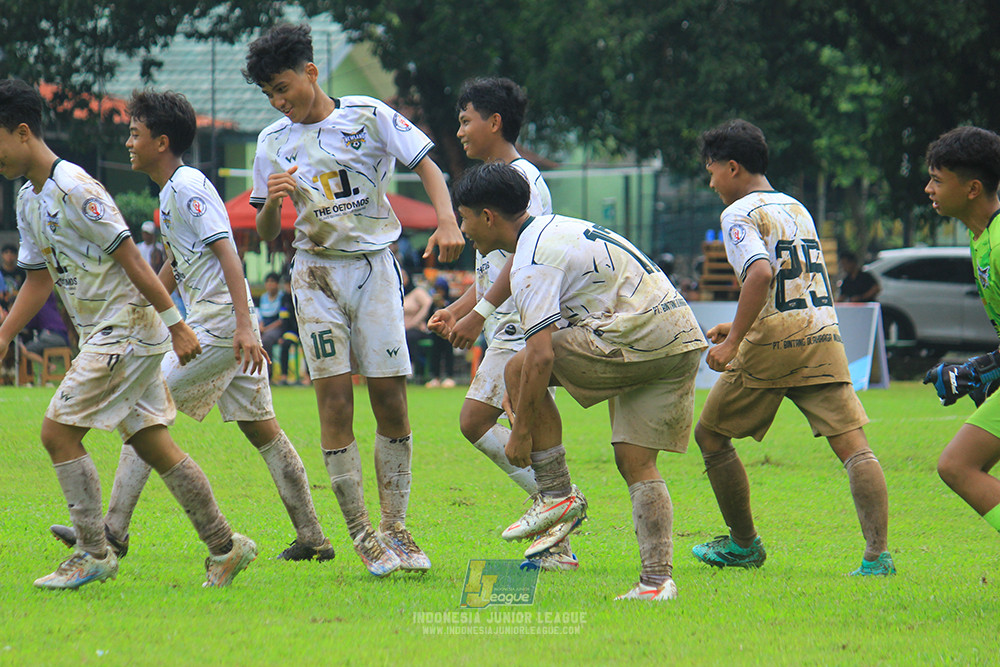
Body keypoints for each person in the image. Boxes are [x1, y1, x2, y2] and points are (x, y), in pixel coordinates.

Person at [48, 89, 334, 562]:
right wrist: (144, 302)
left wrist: (243, 326)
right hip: (226, 323)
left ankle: (114, 531)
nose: (128, 143)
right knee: (262, 429)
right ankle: (313, 538)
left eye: (134, 134)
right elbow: (180, 265)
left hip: (221, 324)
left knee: (143, 410)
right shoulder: (173, 191)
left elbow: (228, 253)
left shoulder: (187, 187)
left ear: (161, 142)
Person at [0, 78, 255, 589]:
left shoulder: (75, 186)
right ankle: (227, 546)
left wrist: (177, 325)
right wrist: (4, 334)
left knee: (56, 432)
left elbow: (133, 259)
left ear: (22, 132)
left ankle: (94, 552)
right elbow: (37, 278)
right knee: (152, 444)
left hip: (125, 330)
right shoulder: (28, 197)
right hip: (111, 330)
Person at [243, 23, 465, 576]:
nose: (278, 101)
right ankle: (363, 534)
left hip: (374, 271)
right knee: (336, 402)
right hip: (314, 275)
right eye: (268, 93)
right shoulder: (273, 142)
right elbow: (268, 232)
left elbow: (428, 165)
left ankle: (397, 527)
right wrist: (273, 202)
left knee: (391, 400)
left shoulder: (367, 114)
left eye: (283, 87)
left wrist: (445, 218)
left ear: (311, 73)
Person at [452, 162, 708, 600]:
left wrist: (522, 432)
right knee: (637, 461)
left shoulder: (532, 259)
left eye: (465, 217)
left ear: (488, 216)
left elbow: (540, 356)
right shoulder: (552, 227)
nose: (463, 228)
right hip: (680, 334)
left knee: (517, 366)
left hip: (638, 334)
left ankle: (555, 493)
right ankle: (656, 581)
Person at [692, 119, 893, 576]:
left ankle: (744, 546)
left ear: (734, 167)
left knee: (710, 435)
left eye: (712, 170)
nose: (710, 181)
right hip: (822, 335)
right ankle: (877, 556)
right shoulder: (796, 207)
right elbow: (792, 282)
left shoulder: (738, 213)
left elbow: (761, 274)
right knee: (855, 448)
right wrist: (738, 323)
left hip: (773, 345)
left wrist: (736, 341)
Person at [428, 77, 577, 571]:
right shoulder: (493, 182)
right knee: (503, 424)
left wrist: (480, 314)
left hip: (522, 323)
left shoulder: (525, 180)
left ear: (494, 122)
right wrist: (461, 306)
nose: (461, 129)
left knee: (490, 421)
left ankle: (558, 520)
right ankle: (558, 521)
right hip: (506, 319)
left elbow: (527, 259)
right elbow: (499, 263)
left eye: (467, 119)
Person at [921, 126, 1000, 546]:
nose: (928, 188)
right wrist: (983, 369)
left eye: (937, 179)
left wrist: (982, 367)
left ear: (972, 188)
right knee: (959, 465)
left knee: (958, 465)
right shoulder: (979, 235)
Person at [425, 277, 456, 388]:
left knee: (448, 354)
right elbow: (428, 317)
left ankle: (449, 376)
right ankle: (435, 377)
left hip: (448, 333)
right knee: (435, 354)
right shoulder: (433, 304)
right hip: (435, 334)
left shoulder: (451, 302)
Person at [257, 272, 286, 381]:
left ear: (278, 284)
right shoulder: (263, 297)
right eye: (267, 282)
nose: (270, 284)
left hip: (276, 328)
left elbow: (281, 320)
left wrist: (266, 329)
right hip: (264, 326)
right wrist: (260, 326)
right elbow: (260, 316)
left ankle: (269, 373)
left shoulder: (282, 297)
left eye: (272, 282)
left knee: (266, 340)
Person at [1, 242, 26, 309]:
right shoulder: (0, 272)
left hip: (18, 306)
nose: (9, 255)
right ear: (2, 255)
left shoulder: (21, 273)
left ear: (16, 255)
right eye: (6, 252)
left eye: (12, 252)